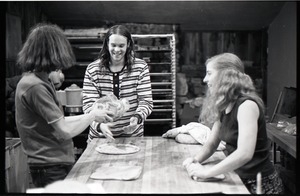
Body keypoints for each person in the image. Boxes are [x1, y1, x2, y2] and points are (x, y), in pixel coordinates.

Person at [15, 23, 114, 188]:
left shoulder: (41, 81)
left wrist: (94, 113)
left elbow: (60, 122)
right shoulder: (35, 86)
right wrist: (91, 116)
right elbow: (65, 131)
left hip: (55, 162)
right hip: (48, 166)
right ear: (51, 52)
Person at [182, 53, 284, 194]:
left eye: (209, 73)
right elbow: (211, 145)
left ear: (225, 75)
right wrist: (194, 161)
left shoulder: (246, 106)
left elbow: (244, 154)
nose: (205, 79)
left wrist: (207, 173)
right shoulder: (224, 105)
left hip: (259, 184)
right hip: (238, 178)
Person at [82, 25, 153, 141]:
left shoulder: (140, 67)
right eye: (113, 45)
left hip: (132, 137)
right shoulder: (93, 69)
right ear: (107, 45)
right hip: (100, 137)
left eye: (121, 46)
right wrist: (100, 125)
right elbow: (88, 106)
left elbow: (146, 101)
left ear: (128, 44)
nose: (117, 50)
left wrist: (137, 117)